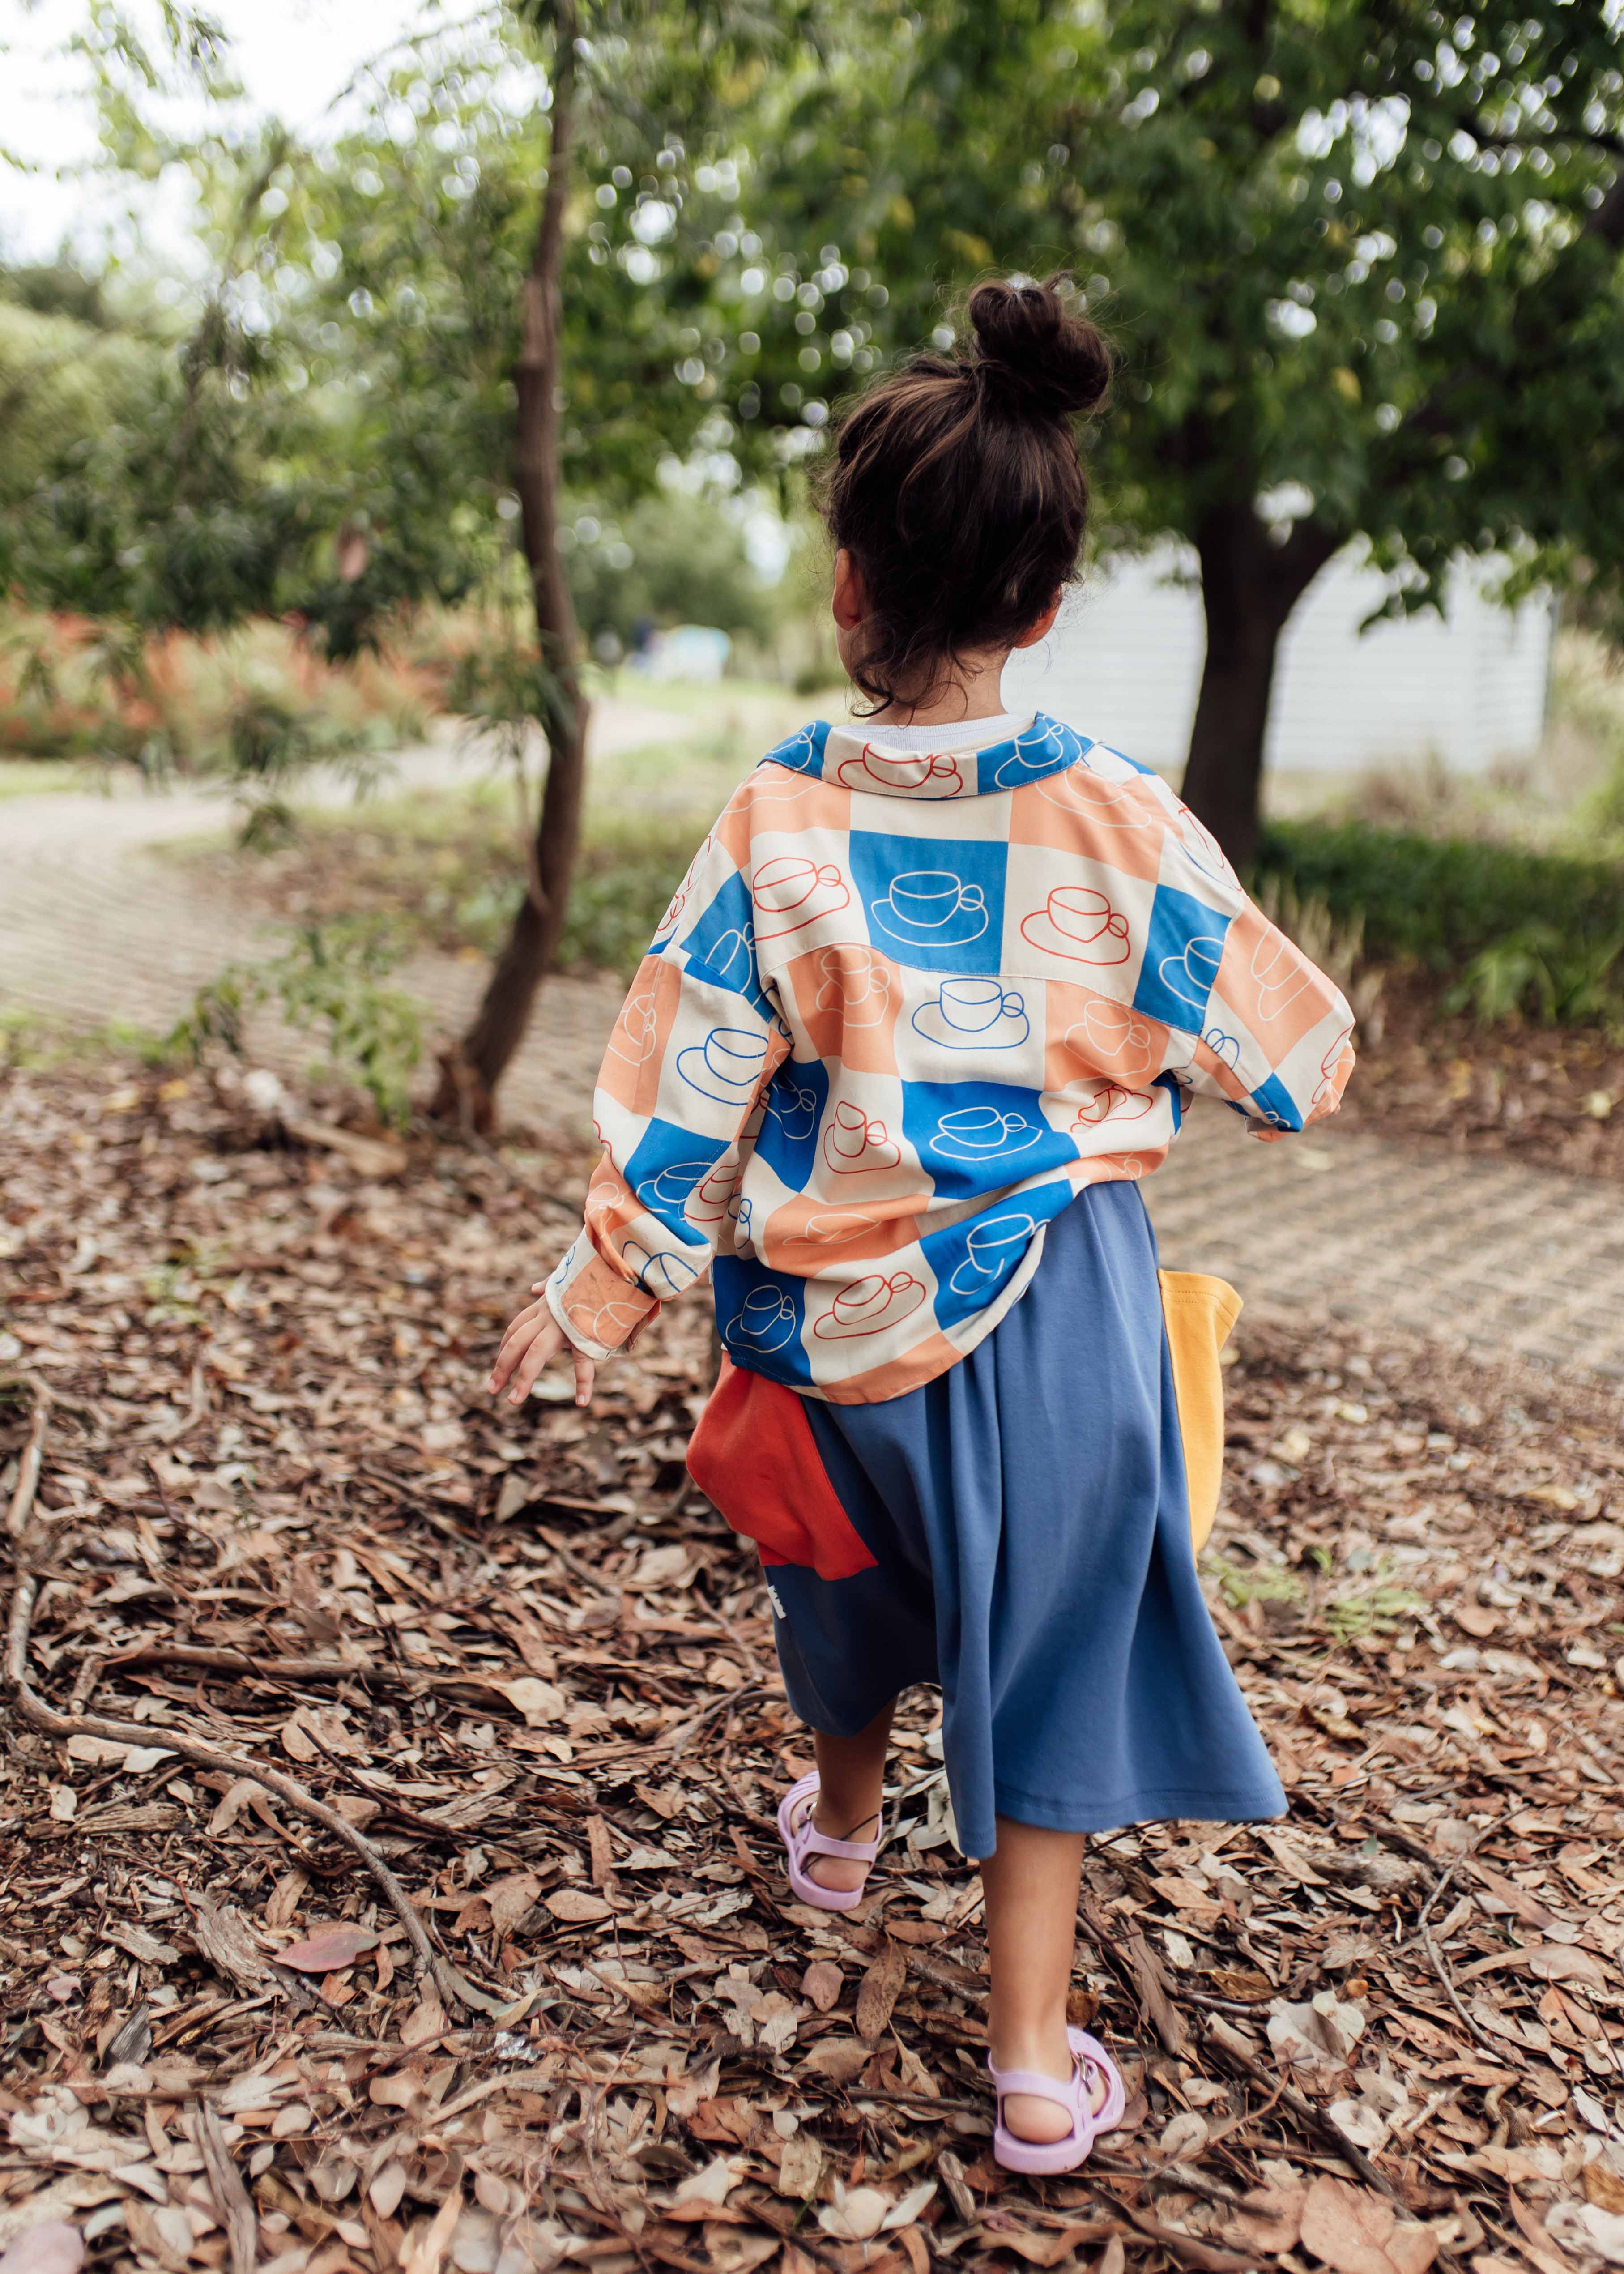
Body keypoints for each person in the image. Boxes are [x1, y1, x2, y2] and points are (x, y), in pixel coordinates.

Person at [489, 276, 1355, 2175]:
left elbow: (684, 1077)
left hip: (828, 1329)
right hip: (1058, 1322)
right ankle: (1034, 2069)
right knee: (1041, 1650)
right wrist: (1136, 1061)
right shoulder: (1122, 817)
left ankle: (842, 1828)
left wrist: (596, 1289)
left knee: (846, 1580)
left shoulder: (771, 816)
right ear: (1043, 607)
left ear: (844, 590)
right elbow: (1301, 1058)